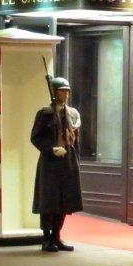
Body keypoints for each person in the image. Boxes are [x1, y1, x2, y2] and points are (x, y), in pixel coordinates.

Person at [30, 76, 83, 253]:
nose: (66, 94)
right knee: (49, 201)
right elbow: (36, 137)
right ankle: (47, 238)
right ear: (54, 92)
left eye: (67, 91)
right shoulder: (45, 114)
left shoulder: (72, 114)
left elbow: (75, 139)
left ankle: (57, 236)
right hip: (50, 162)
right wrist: (51, 149)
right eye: (62, 91)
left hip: (68, 160)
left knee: (65, 200)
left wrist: (76, 159)